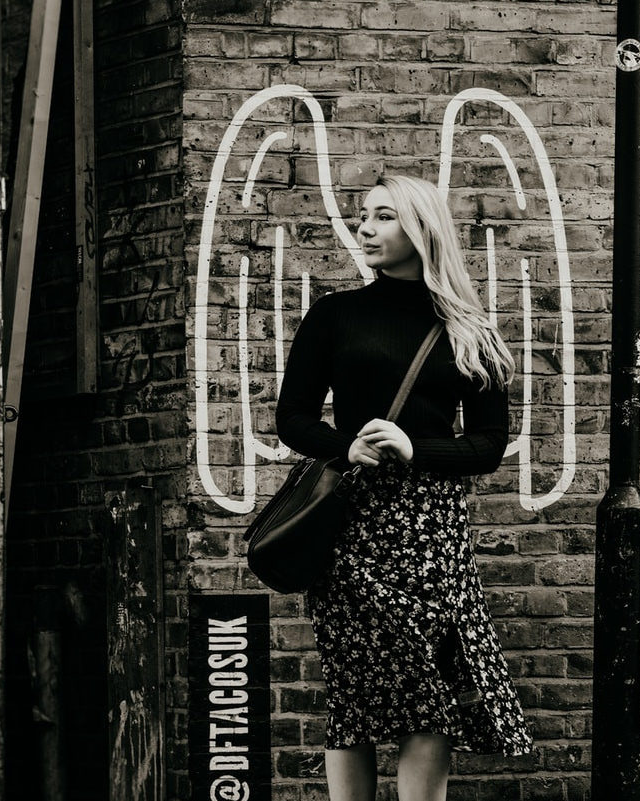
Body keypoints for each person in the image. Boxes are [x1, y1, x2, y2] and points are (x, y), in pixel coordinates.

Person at [276, 175, 534, 801]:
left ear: (419, 229)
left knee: (429, 690)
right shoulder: (334, 314)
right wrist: (349, 447)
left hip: (431, 532)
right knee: (354, 691)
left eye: (382, 217)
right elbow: (293, 418)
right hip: (351, 525)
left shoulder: (470, 328)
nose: (363, 228)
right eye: (363, 216)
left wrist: (417, 448)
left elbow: (488, 446)